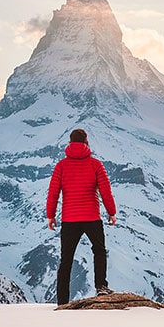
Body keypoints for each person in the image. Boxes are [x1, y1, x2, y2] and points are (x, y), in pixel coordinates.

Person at [47, 128, 117, 305]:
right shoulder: (95, 164)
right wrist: (112, 212)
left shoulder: (61, 166)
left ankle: (62, 301)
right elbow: (105, 191)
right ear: (86, 142)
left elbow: (53, 193)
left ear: (70, 143)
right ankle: (101, 286)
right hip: (92, 217)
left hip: (69, 220)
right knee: (99, 251)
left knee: (66, 259)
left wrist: (51, 215)